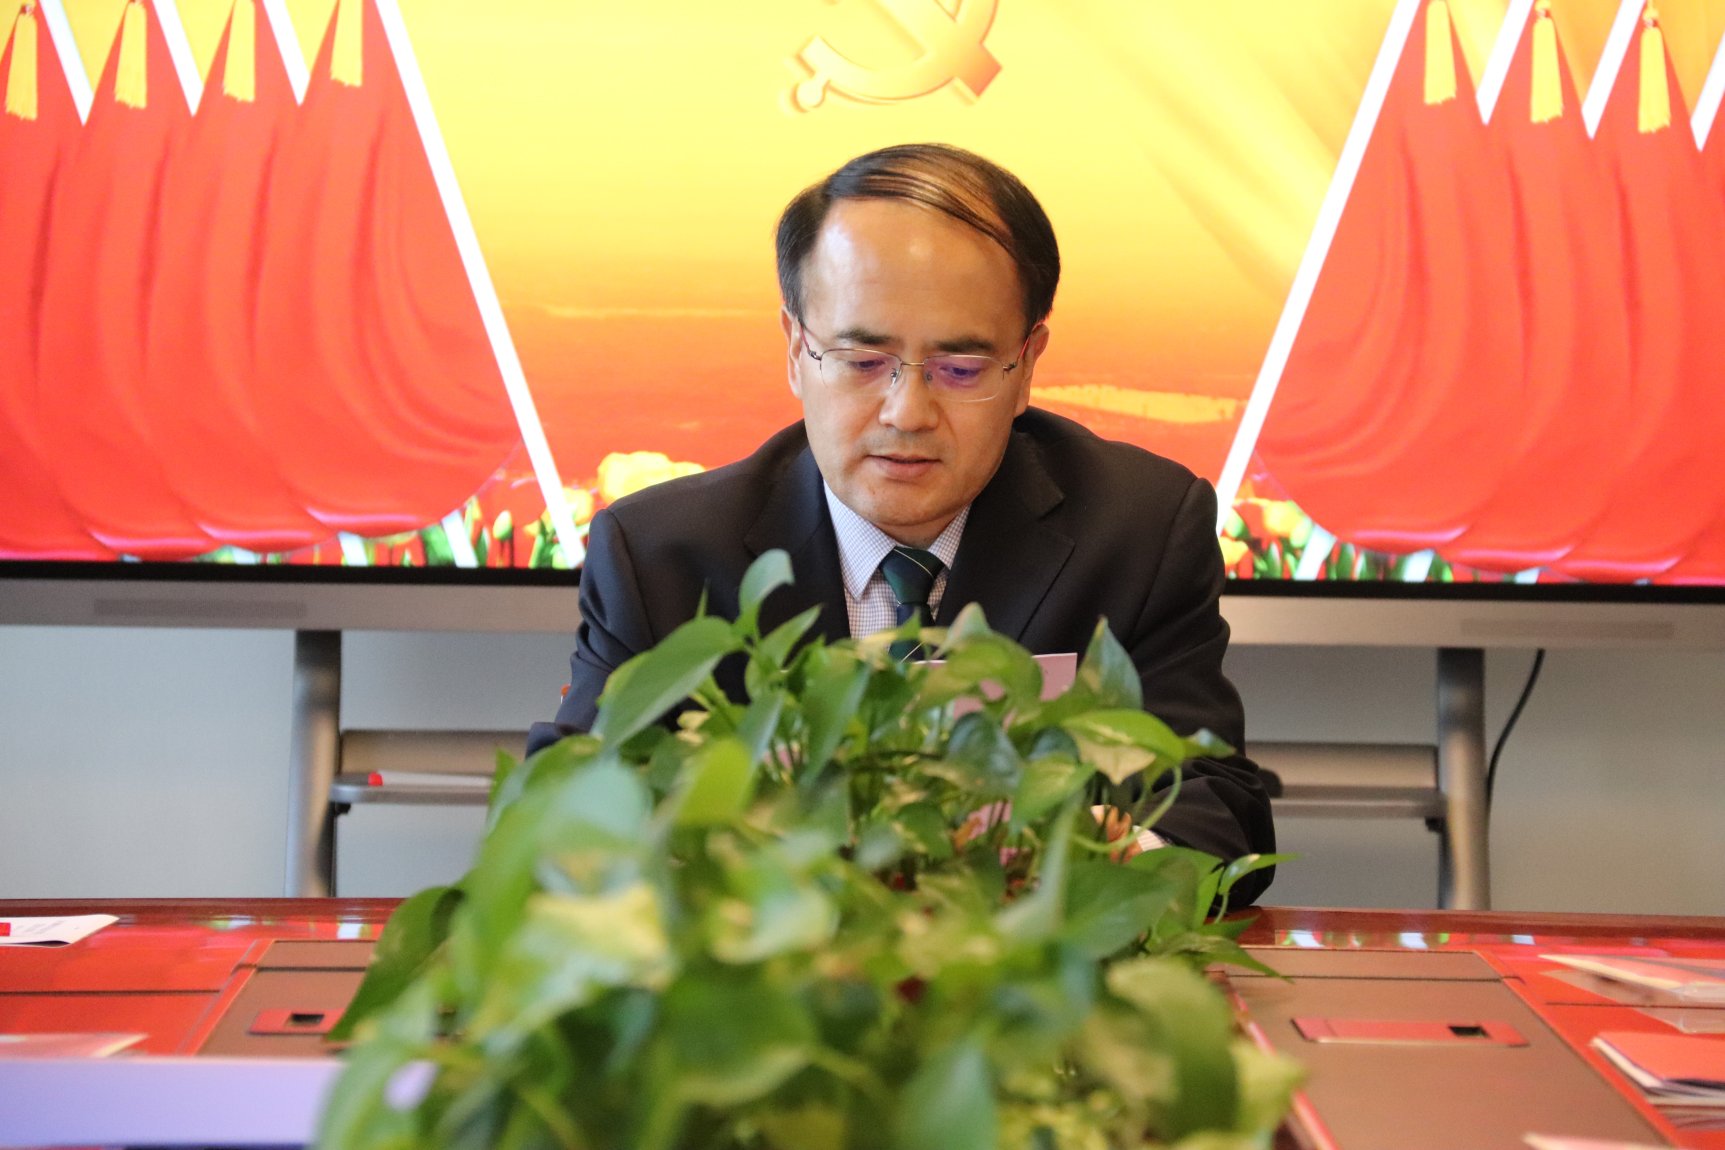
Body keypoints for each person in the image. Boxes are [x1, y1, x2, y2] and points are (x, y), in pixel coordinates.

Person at [528, 143, 1274, 903]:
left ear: (1026, 364)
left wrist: (1094, 863)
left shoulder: (1137, 528)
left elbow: (1218, 812)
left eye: (961, 369)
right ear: (796, 350)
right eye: (862, 362)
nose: (907, 413)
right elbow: (558, 814)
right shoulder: (661, 556)